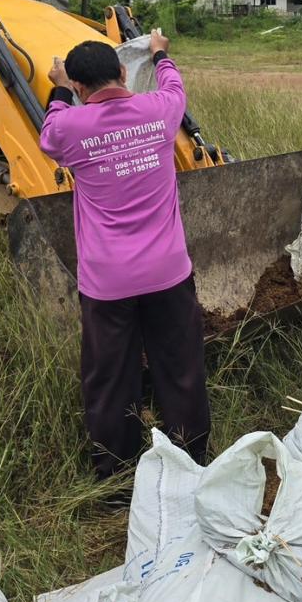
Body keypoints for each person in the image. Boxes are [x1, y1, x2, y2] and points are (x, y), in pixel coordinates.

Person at [38, 31, 210, 481]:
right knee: (181, 369)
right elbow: (173, 84)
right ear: (121, 72)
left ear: (78, 87)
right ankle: (190, 461)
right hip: (169, 273)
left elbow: (48, 133)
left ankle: (115, 477)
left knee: (111, 378)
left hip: (107, 284)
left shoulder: (68, 128)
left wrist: (57, 86)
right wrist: (158, 51)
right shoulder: (161, 110)